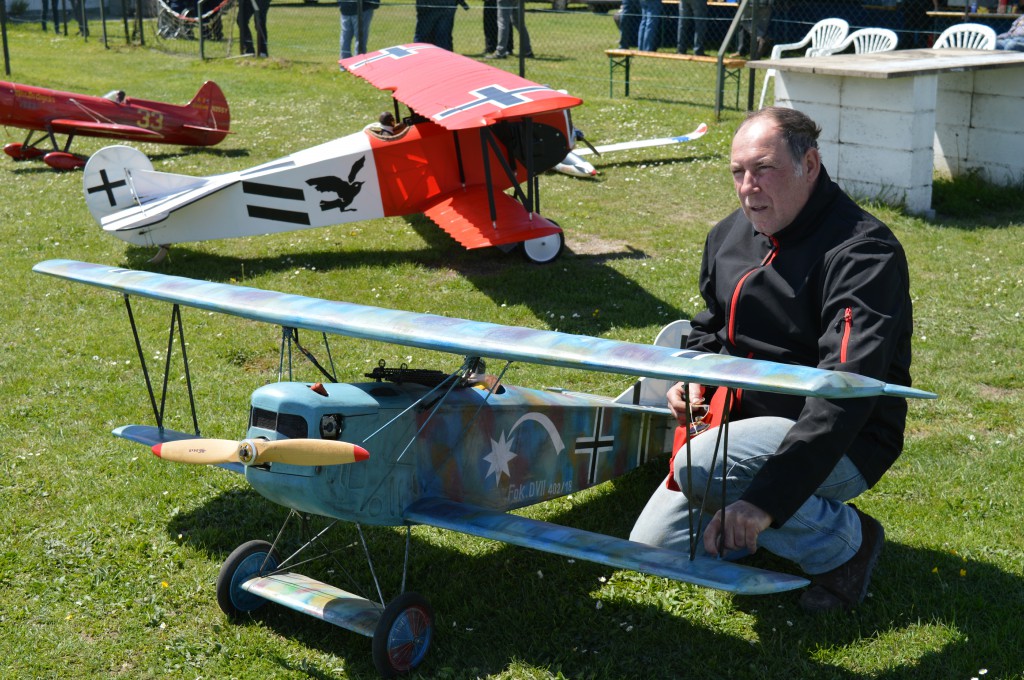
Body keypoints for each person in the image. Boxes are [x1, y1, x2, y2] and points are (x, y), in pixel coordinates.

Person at [630, 107, 914, 614]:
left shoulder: (864, 252)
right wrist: (690, 377)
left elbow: (845, 392)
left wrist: (765, 501)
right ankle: (741, 499)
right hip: (735, 427)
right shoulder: (726, 235)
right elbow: (708, 327)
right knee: (654, 550)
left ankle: (847, 543)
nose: (747, 187)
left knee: (701, 468)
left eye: (763, 169)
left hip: (845, 436)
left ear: (810, 163)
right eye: (738, 172)